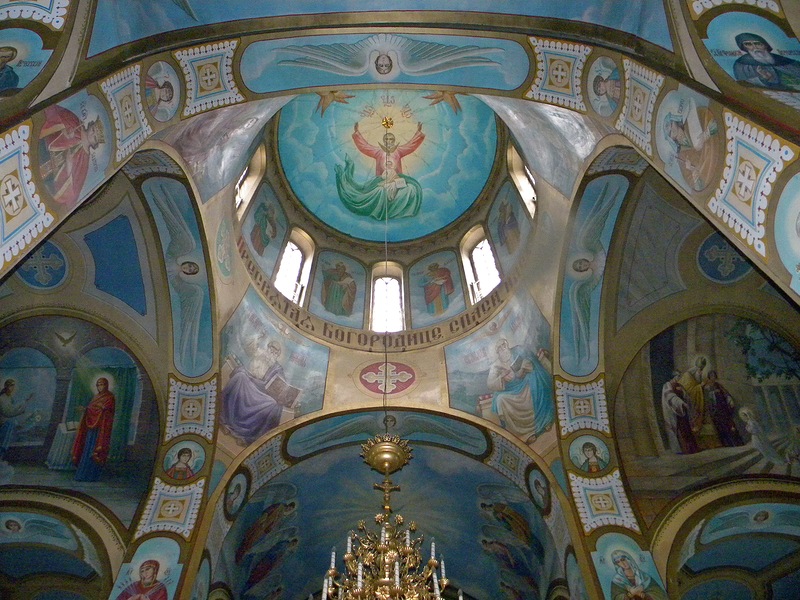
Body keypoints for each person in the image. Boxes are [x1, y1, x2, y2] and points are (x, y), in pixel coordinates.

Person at [334, 122, 425, 221]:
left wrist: (418, 133)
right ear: (384, 141)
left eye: (391, 139)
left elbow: (410, 146)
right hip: (382, 179)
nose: (389, 141)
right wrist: (357, 133)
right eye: (387, 139)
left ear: (394, 141)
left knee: (412, 188)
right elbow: (364, 146)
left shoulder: (398, 150)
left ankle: (403, 211)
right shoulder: (378, 151)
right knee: (379, 191)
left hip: (397, 178)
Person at [487, 339, 554, 443]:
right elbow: (490, 384)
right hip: (511, 390)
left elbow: (531, 359)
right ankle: (523, 434)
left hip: (526, 382)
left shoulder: (517, 350)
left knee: (535, 378)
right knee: (500, 399)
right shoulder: (496, 365)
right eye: (499, 348)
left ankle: (544, 420)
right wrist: (501, 377)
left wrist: (525, 366)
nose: (502, 349)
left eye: (503, 346)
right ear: (497, 352)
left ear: (507, 345)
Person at [221, 340, 286, 445]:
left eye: (275, 351)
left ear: (278, 355)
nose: (272, 352)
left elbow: (281, 386)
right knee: (240, 376)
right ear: (268, 348)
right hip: (250, 383)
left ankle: (249, 437)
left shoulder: (278, 368)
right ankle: (225, 422)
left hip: (263, 393)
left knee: (274, 404)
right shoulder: (260, 356)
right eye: (271, 348)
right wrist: (244, 372)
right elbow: (249, 371)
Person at [38, 104, 105, 207]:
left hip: (48, 178)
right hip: (42, 150)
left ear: (94, 144)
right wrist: (63, 130)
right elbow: (53, 113)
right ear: (90, 125)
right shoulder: (75, 122)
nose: (92, 134)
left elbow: (73, 193)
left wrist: (69, 168)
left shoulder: (84, 161)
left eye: (95, 137)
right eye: (93, 130)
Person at [662, 97, 719, 192]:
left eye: (676, 130)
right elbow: (698, 188)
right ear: (672, 140)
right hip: (714, 174)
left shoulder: (695, 118)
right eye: (675, 136)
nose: (679, 136)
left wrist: (706, 134)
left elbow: (717, 120)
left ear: (678, 123)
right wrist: (693, 170)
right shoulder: (682, 157)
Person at [71, 377, 116, 482]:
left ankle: (93, 476)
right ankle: (83, 474)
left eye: (102, 384)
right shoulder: (96, 397)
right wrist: (86, 409)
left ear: (106, 385)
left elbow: (108, 411)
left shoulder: (110, 397)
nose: (100, 387)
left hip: (101, 429)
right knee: (87, 449)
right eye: (98, 385)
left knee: (95, 450)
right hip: (91, 429)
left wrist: (99, 408)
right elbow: (92, 409)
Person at [733, 32, 800, 91]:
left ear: (765, 45)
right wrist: (765, 78)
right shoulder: (741, 64)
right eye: (748, 44)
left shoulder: (780, 59)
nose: (755, 47)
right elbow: (744, 84)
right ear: (744, 47)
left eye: (758, 43)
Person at [703, 370, 745, 447]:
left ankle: (736, 442)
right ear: (709, 377)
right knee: (720, 427)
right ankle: (727, 443)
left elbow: (725, 393)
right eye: (711, 376)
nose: (713, 377)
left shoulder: (718, 385)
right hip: (715, 410)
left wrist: (729, 399)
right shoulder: (706, 387)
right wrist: (714, 392)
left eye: (714, 376)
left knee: (729, 424)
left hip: (723, 408)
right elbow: (707, 399)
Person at [661, 371, 698, 454]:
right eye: (677, 376)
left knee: (686, 429)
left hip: (683, 411)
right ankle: (680, 450)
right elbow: (670, 397)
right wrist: (681, 403)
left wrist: (685, 397)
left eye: (679, 376)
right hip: (674, 411)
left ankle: (691, 449)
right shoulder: (667, 385)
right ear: (673, 377)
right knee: (678, 430)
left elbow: (686, 396)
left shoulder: (679, 385)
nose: (679, 378)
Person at [0, 379, 30, 461]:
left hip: (7, 424)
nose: (12, 388)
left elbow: (13, 408)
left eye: (13, 386)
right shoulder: (1, 398)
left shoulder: (9, 397)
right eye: (10, 385)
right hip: (3, 424)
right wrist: (20, 411)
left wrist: (25, 401)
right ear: (6, 386)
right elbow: (8, 413)